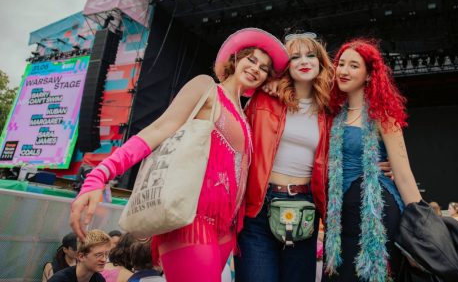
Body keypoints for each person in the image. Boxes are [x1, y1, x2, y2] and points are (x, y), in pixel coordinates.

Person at [70, 28, 288, 282]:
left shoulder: (246, 115)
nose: (256, 69)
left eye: (264, 68)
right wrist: (99, 175)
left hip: (226, 229)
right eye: (251, 59)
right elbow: (158, 129)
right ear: (236, 59)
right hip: (189, 219)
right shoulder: (206, 88)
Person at [235, 33, 333, 282]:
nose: (304, 61)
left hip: (305, 207)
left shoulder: (330, 110)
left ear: (320, 62)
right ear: (285, 65)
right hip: (259, 205)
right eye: (295, 56)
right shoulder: (264, 97)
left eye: (311, 55)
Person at [323, 38, 422, 281]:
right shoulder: (332, 115)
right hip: (339, 214)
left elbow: (403, 175)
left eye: (354, 66)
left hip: (374, 212)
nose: (344, 71)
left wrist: (422, 225)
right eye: (341, 64)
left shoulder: (383, 116)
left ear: (369, 75)